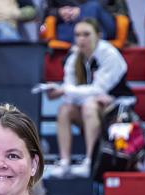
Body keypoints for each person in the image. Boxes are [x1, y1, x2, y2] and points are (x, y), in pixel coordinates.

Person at [47, 18, 133, 178]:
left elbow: (98, 89)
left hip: (118, 109)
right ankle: (65, 162)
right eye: (77, 35)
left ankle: (90, 161)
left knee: (90, 105)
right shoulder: (75, 56)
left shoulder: (109, 54)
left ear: (98, 36)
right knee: (65, 109)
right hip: (93, 105)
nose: (81, 39)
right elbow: (72, 91)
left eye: (86, 34)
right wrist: (62, 91)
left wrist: (65, 90)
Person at [44, 0, 117, 44]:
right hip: (69, 26)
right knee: (97, 31)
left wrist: (80, 10)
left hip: (102, 21)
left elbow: (104, 4)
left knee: (93, 7)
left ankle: (79, 52)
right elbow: (46, 11)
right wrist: (59, 12)